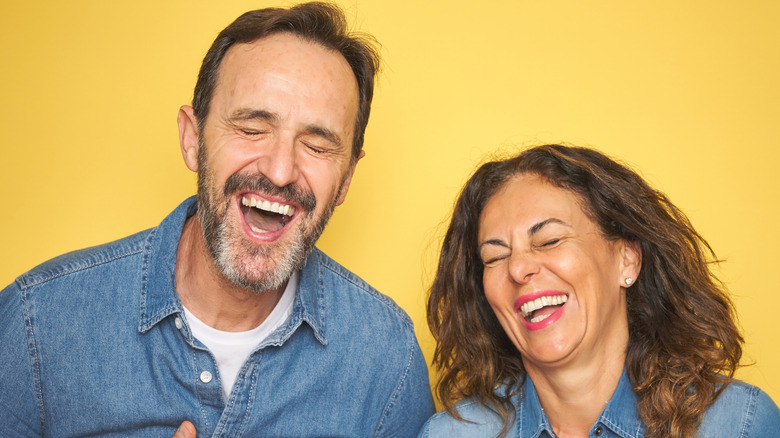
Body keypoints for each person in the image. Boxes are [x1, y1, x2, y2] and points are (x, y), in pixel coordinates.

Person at [0, 3, 433, 436]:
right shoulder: (37, 323)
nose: (280, 171)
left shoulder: (387, 359)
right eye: (251, 128)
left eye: (317, 146)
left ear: (345, 180)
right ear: (192, 138)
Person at [419, 144, 780, 438]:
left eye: (549, 240)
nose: (517, 268)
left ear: (627, 260)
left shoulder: (740, 425)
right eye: (495, 256)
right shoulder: (451, 434)